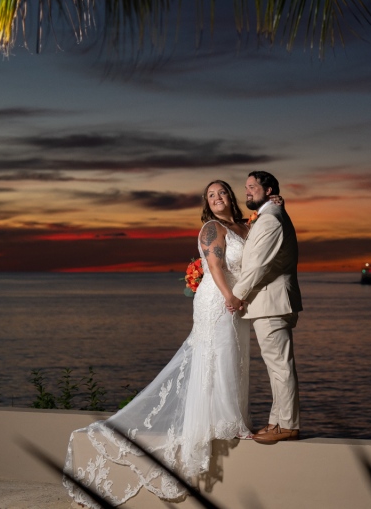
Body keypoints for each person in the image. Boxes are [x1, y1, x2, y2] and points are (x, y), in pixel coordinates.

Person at [63, 180, 281, 507]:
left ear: (230, 197)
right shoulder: (212, 228)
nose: (218, 197)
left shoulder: (242, 225)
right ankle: (223, 422)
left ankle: (235, 419)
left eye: (222, 192)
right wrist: (229, 297)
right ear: (207, 204)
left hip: (238, 301)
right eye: (211, 195)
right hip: (219, 298)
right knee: (217, 356)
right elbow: (217, 266)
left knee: (235, 356)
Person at [226, 171, 303, 444]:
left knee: (280, 367)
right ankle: (277, 421)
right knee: (275, 368)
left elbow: (258, 265)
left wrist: (235, 297)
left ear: (269, 190)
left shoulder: (271, 220)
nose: (246, 192)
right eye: (245, 187)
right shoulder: (270, 214)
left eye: (252, 187)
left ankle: (289, 425)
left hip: (271, 302)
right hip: (269, 302)